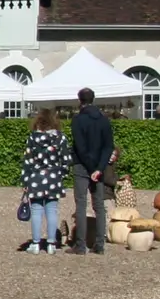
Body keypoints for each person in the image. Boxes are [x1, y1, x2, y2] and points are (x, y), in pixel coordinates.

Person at [19, 107, 73, 254]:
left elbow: (27, 161)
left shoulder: (32, 138)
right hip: (54, 177)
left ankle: (35, 244)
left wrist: (25, 181)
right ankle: (51, 244)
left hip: (36, 177)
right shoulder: (60, 138)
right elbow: (67, 160)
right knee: (52, 211)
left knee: (36, 211)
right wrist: (61, 174)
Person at [69, 87, 113, 254]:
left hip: (82, 165)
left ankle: (81, 244)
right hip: (99, 167)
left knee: (81, 204)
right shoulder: (103, 120)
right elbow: (108, 146)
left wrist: (92, 167)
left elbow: (80, 146)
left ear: (80, 100)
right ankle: (100, 244)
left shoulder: (78, 119)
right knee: (99, 205)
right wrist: (99, 168)